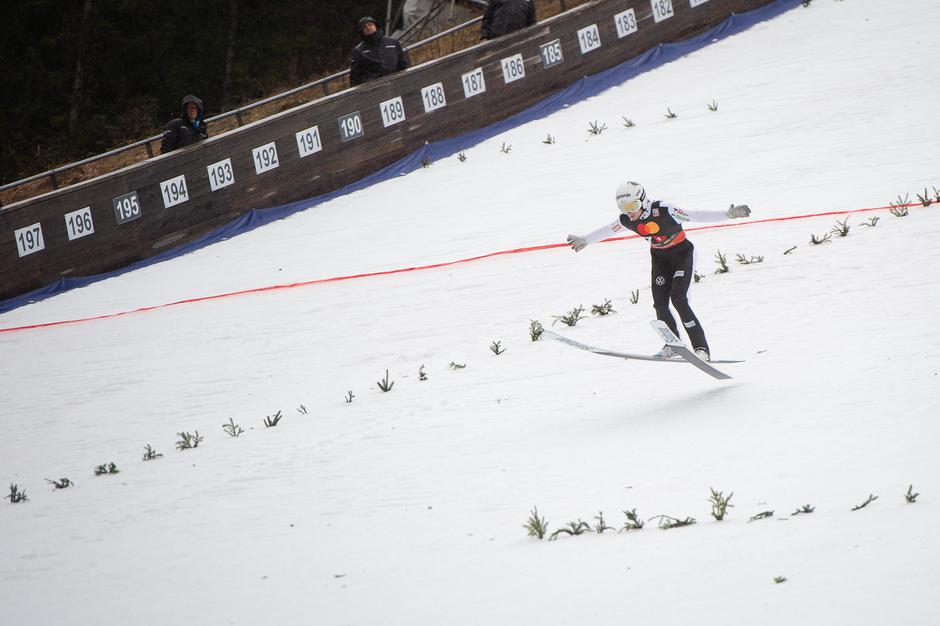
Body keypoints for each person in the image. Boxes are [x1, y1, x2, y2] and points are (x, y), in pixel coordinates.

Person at [566, 181, 751, 361]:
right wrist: (585, 240)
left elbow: (694, 215)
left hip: (682, 254)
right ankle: (673, 345)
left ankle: (701, 348)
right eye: (623, 208)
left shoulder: (664, 209)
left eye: (632, 206)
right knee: (660, 303)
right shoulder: (626, 219)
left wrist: (727, 215)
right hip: (660, 258)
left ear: (643, 200)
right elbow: (608, 230)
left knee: (679, 299)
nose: (629, 212)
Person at [349, 17, 410, 87]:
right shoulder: (359, 51)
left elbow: (403, 64)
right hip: (374, 87)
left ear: (375, 25)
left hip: (396, 82)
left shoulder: (392, 42)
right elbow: (355, 77)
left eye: (370, 25)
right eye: (364, 27)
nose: (368, 28)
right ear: (362, 31)